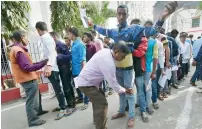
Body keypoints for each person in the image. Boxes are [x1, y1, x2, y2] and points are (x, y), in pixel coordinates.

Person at [88, 2, 177, 127]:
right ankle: (121, 111)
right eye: (119, 13)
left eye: (124, 14)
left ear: (127, 15)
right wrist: (92, 25)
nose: (121, 16)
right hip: (117, 67)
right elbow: (103, 30)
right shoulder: (113, 31)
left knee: (129, 92)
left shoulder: (134, 29)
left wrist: (163, 16)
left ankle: (131, 116)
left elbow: (152, 30)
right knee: (120, 92)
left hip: (128, 68)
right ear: (116, 14)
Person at [74, 41, 133, 129]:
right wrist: (126, 90)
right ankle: (100, 127)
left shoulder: (105, 51)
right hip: (86, 84)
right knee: (102, 103)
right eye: (123, 56)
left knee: (97, 101)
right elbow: (114, 85)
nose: (123, 58)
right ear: (116, 51)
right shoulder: (109, 63)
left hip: (88, 82)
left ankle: (97, 120)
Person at [9, 30, 47, 127]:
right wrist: (42, 64)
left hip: (27, 78)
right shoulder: (19, 51)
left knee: (35, 97)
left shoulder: (17, 49)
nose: (28, 40)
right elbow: (26, 67)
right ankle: (33, 120)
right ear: (22, 38)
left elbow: (27, 64)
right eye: (26, 37)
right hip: (27, 79)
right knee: (32, 100)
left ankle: (38, 112)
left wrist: (39, 63)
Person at [35, 21, 67, 120]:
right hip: (50, 67)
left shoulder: (47, 38)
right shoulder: (45, 38)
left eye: (37, 30)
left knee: (57, 89)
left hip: (52, 68)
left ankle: (63, 108)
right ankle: (62, 106)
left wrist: (48, 65)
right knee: (56, 88)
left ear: (38, 30)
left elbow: (53, 53)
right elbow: (47, 54)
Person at [50, 32, 76, 115]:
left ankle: (72, 105)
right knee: (61, 87)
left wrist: (58, 56)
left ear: (54, 37)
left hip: (65, 68)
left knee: (67, 86)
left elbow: (69, 56)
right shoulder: (52, 46)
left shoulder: (61, 45)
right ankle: (65, 104)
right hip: (57, 68)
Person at [66, 27, 88, 106]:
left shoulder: (80, 44)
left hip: (79, 69)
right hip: (74, 69)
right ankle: (81, 98)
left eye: (68, 34)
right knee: (77, 85)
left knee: (83, 86)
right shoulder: (74, 44)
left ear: (72, 34)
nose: (68, 36)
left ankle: (86, 102)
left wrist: (83, 71)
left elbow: (83, 59)